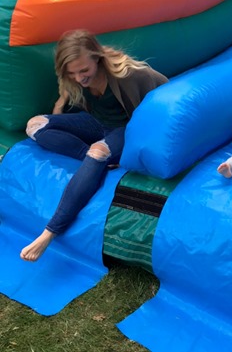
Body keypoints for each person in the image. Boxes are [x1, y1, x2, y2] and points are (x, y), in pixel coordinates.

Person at [20, 29, 168, 262]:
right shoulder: (73, 78)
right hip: (96, 125)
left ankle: (50, 232)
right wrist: (60, 105)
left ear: (97, 57)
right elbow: (70, 99)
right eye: (73, 73)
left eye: (84, 71)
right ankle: (88, 157)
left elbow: (165, 93)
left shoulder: (128, 74)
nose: (79, 78)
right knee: (35, 125)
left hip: (125, 129)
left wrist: (141, 145)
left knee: (98, 151)